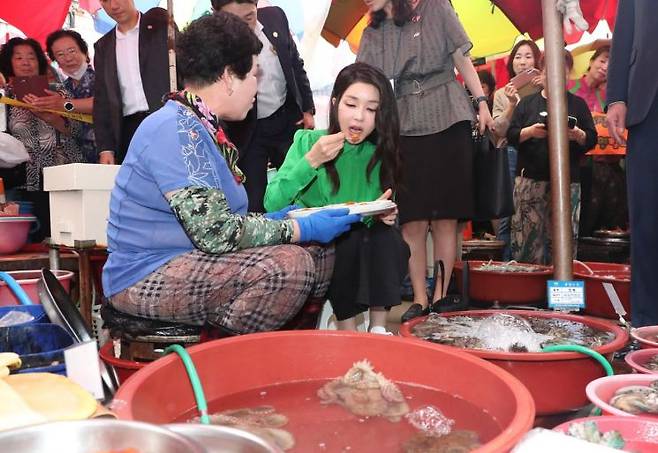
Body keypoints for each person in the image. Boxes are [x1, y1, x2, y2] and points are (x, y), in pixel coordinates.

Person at [102, 12, 360, 334]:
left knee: (318, 252)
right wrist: (296, 227)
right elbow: (216, 234)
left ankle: (280, 350)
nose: (257, 85)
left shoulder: (202, 127)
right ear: (227, 77)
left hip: (190, 259)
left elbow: (222, 225)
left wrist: (279, 220)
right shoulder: (177, 128)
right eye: (253, 74)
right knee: (286, 268)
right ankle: (227, 361)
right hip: (145, 274)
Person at [356, 0, 494, 322]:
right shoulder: (374, 28)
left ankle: (442, 295)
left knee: (446, 216)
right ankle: (419, 297)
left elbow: (461, 56)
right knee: (413, 218)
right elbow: (364, 78)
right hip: (404, 121)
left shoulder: (437, 6)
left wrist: (483, 102)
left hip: (449, 113)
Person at [265, 62, 409, 334]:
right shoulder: (308, 142)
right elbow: (272, 202)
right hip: (314, 241)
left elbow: (369, 211)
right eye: (351, 104)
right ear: (335, 104)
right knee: (345, 239)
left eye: (371, 109)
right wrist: (311, 161)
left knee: (388, 237)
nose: (359, 117)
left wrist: (383, 213)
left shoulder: (377, 154)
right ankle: (348, 330)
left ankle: (378, 330)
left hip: (361, 242)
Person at [211, 0, 315, 213]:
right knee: (255, 201)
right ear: (217, 15)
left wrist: (307, 108)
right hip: (248, 132)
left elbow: (295, 64)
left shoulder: (276, 17)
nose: (244, 27)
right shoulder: (214, 42)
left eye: (249, 17)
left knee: (300, 189)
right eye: (234, 21)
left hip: (286, 120)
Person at [507, 51, 597, 265]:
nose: (557, 76)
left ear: (568, 74)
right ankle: (529, 294)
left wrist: (578, 135)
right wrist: (530, 132)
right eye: (551, 71)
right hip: (530, 182)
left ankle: (559, 293)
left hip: (568, 181)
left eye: (563, 72)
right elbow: (511, 136)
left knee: (564, 243)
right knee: (527, 243)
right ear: (543, 73)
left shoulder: (578, 104)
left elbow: (591, 138)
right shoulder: (527, 103)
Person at [0, 37, 83, 241]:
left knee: (66, 232)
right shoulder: (4, 96)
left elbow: (77, 127)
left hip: (62, 171)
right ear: (9, 62)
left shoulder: (57, 90)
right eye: (19, 57)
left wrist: (53, 116)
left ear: (39, 61)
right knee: (31, 235)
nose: (26, 62)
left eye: (31, 57)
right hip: (25, 177)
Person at [607, 0, 658, 327]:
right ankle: (647, 324)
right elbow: (624, 31)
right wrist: (617, 96)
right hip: (647, 105)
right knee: (646, 219)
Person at [93, 0, 173, 165]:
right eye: (106, 1)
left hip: (167, 119)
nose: (113, 6)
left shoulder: (160, 26)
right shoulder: (103, 46)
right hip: (129, 129)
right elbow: (102, 101)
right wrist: (106, 148)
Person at [568, 45, 628, 237]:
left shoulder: (611, 97)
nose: (605, 67)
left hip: (609, 165)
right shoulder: (570, 87)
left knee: (610, 220)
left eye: (611, 65)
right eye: (602, 61)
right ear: (592, 61)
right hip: (580, 164)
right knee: (584, 220)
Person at [491, 39, 543, 260]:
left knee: (535, 212)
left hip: (538, 154)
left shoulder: (545, 89)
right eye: (518, 57)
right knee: (507, 212)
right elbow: (498, 131)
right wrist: (512, 104)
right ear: (512, 63)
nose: (523, 62)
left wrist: (546, 86)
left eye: (528, 56)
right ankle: (506, 263)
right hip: (511, 153)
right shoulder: (502, 94)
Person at [31, 30, 97, 163]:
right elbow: (71, 129)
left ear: (85, 52)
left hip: (108, 153)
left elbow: (103, 104)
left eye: (72, 51)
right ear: (56, 61)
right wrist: (49, 117)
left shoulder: (103, 77)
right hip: (79, 160)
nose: (68, 58)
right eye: (60, 54)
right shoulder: (63, 88)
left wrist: (64, 104)